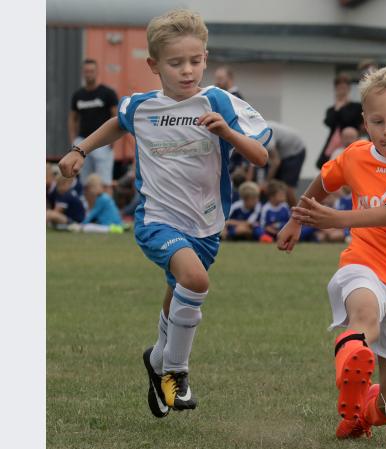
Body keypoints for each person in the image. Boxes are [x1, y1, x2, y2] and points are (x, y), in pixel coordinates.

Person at [57, 9, 270, 417]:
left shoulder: (220, 102)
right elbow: (117, 123)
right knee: (195, 279)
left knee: (180, 292)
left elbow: (260, 155)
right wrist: (79, 150)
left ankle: (156, 360)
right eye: (176, 63)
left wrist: (227, 132)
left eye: (195, 61)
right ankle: (175, 370)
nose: (187, 70)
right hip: (156, 220)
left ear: (205, 58)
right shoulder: (141, 106)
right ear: (154, 65)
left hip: (206, 225)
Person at [277, 60, 386, 439]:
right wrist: (297, 218)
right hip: (362, 266)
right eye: (378, 121)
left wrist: (336, 220)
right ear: (365, 120)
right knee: (364, 315)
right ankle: (352, 358)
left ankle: (360, 413)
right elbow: (326, 178)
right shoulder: (356, 153)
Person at [69, 59, 119, 192]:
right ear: (82, 73)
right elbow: (72, 119)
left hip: (103, 143)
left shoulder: (108, 93)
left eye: (91, 71)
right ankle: (89, 212)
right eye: (86, 71)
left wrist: (112, 140)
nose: (89, 74)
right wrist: (73, 139)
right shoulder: (78, 95)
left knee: (105, 182)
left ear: (97, 72)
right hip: (82, 143)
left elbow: (116, 116)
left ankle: (107, 213)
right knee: (86, 182)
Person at [316, 73, 364, 168]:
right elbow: (329, 122)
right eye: (339, 88)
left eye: (344, 88)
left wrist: (342, 106)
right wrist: (338, 108)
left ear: (348, 89)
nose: (341, 91)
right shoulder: (332, 109)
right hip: (335, 142)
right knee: (328, 163)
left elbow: (349, 119)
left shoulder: (356, 107)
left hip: (352, 140)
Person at [262, 120, 306, 206]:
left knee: (287, 187)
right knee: (276, 186)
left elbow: (276, 162)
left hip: (295, 152)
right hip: (283, 153)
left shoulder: (265, 135)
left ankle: (297, 215)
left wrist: (266, 182)